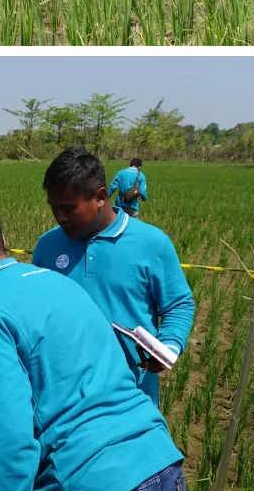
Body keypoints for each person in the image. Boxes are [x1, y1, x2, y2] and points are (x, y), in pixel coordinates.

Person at [0, 197, 186, 491]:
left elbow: (9, 427)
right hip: (164, 469)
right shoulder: (59, 282)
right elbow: (55, 380)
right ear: (2, 241)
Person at [33, 149, 194, 406]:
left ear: (100, 197)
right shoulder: (47, 245)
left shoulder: (151, 243)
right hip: (63, 398)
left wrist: (169, 345)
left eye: (68, 209)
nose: (60, 217)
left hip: (130, 396)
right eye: (54, 208)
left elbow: (178, 304)